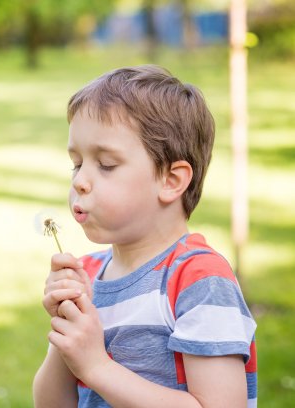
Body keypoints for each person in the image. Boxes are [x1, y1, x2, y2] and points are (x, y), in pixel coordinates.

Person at [32, 65, 257, 408]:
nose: (80, 181)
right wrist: (68, 335)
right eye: (77, 163)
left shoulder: (197, 280)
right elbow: (51, 403)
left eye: (106, 164)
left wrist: (96, 366)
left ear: (170, 180)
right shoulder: (88, 275)